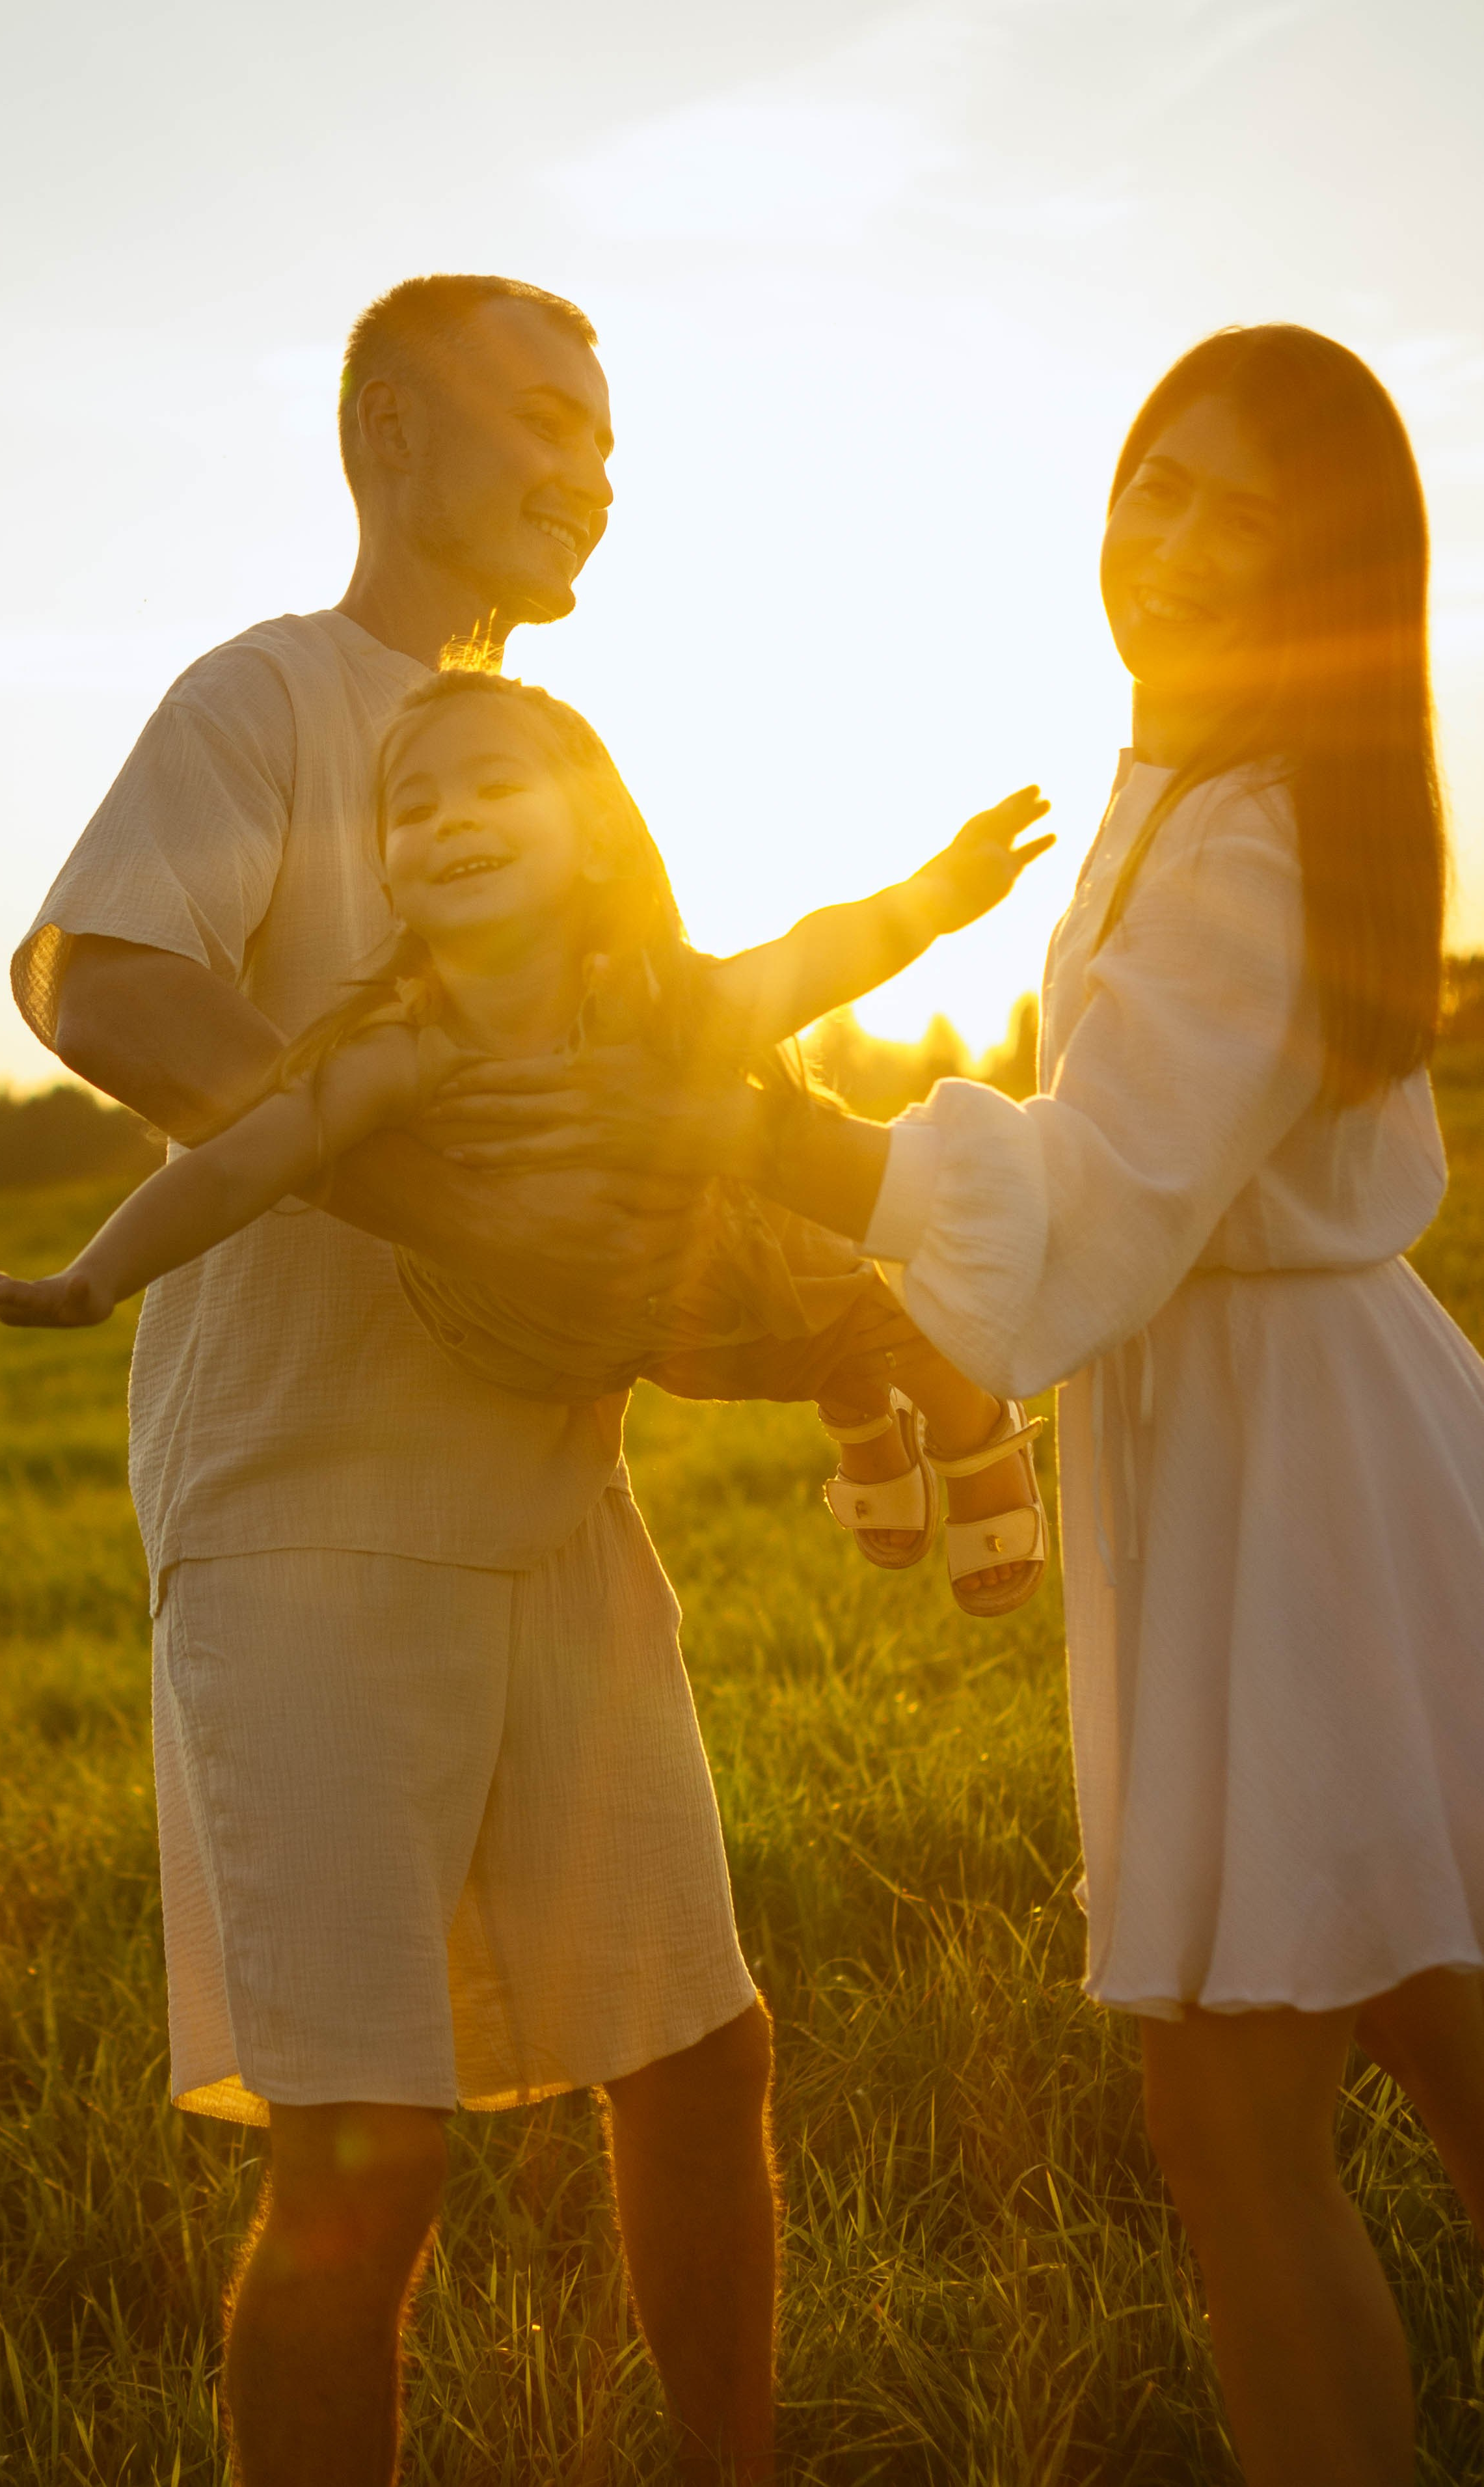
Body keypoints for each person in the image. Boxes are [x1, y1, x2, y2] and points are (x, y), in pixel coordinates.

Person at [444, 325, 1484, 2487]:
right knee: (1350, 2047)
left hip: (1305, 1479)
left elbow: (1098, 1192)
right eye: (1154, 482)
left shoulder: (1260, 835)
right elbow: (1089, 1188)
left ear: (1324, 573)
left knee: (1257, 2092)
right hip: (1243, 1447)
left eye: (1241, 516)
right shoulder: (1181, 784)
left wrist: (767, 1132)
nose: (1170, 541)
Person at [0, 271, 795, 2487]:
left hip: (554, 1502)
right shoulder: (267, 696)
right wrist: (449, 1207)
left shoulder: (551, 758)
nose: (586, 469)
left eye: (603, 437)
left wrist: (843, 1313)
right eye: (539, 418)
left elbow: (670, 1075)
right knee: (365, 2151)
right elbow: (94, 971)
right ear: (386, 442)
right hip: (306, 1517)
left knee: (699, 2055)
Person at [0, 667, 1056, 1608]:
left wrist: (938, 893)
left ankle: (956, 1413)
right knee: (790, 1349)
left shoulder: (658, 1001)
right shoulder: (402, 1050)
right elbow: (238, 1161)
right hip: (569, 1337)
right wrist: (95, 1277)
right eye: (414, 808)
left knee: (851, 1322)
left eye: (496, 787)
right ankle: (855, 1400)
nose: (454, 819)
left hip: (707, 1280)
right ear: (388, 874)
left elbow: (811, 960)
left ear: (594, 841)